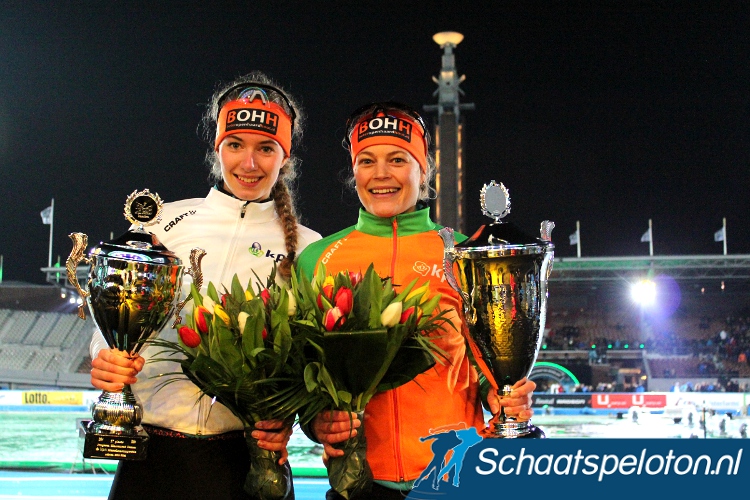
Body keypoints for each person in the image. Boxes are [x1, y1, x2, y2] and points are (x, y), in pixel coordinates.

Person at [89, 72, 321, 500]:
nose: (249, 164)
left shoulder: (309, 248)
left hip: (250, 463)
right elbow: (114, 320)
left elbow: (310, 360)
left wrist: (289, 413)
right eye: (236, 145)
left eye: (266, 148)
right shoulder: (163, 222)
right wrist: (103, 357)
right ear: (218, 149)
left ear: (284, 158)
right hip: (151, 456)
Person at [296, 101, 536, 499]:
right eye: (366, 160)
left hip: (455, 479)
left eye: (397, 159)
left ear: (423, 170)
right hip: (359, 483)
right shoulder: (318, 258)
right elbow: (302, 367)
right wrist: (315, 420)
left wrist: (498, 391)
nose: (381, 174)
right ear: (353, 171)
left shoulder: (463, 253)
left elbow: (483, 361)